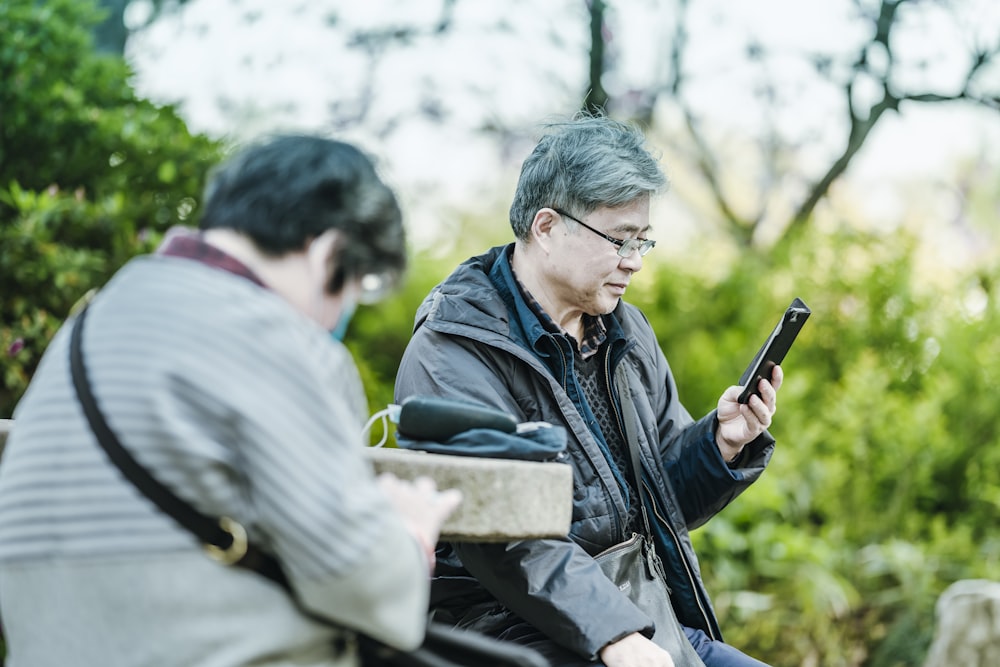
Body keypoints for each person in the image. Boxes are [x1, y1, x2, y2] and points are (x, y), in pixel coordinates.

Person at [0, 135, 461, 667]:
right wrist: (409, 535)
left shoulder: (90, 320)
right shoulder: (275, 337)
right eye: (358, 286)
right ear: (327, 251)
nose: (342, 312)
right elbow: (361, 581)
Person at [394, 114, 781, 667]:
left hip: (641, 618)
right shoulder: (454, 349)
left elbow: (660, 504)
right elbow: (505, 535)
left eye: (643, 241)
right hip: (512, 631)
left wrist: (720, 444)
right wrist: (613, 636)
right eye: (619, 239)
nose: (634, 262)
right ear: (546, 227)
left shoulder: (626, 329)